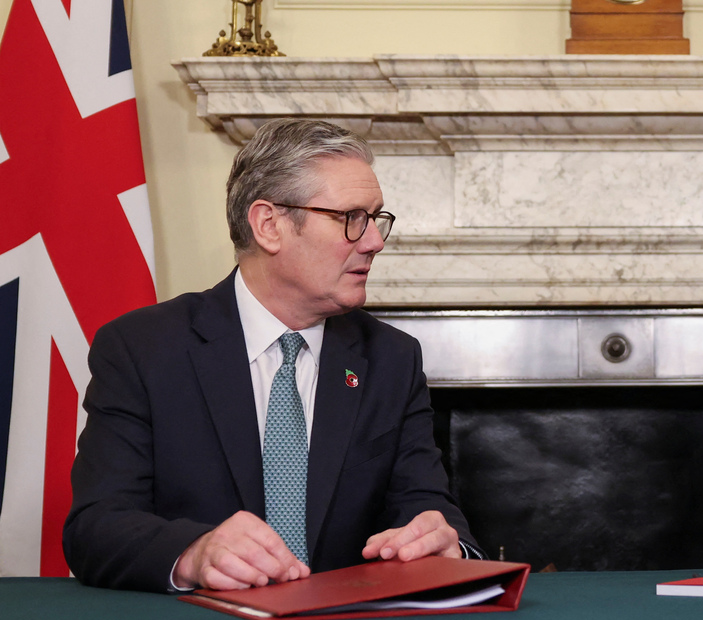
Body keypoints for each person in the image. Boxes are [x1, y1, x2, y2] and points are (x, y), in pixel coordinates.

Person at [63, 119, 483, 593]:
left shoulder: (391, 359)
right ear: (269, 225)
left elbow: (427, 508)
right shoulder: (143, 349)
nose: (374, 241)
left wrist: (447, 547)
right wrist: (193, 554)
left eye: (375, 218)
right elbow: (96, 527)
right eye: (351, 218)